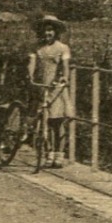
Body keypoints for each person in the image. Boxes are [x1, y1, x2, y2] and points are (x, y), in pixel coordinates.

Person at [26, 15, 74, 165]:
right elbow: (32, 63)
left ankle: (59, 154)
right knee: (43, 121)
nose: (47, 34)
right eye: (45, 31)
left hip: (55, 88)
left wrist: (64, 78)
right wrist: (30, 76)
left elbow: (65, 67)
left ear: (56, 32)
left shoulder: (62, 48)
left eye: (50, 30)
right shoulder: (36, 47)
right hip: (40, 87)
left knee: (57, 122)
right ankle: (49, 153)